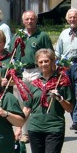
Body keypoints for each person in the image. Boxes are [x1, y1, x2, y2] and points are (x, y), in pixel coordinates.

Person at [23, 48, 74, 153]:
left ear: (53, 63)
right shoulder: (34, 84)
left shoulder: (62, 81)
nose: (44, 64)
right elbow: (27, 107)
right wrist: (18, 127)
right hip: (35, 128)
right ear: (37, 64)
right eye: (41, 62)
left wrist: (59, 98)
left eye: (47, 61)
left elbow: (70, 107)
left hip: (54, 127)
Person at [12, 10, 54, 143]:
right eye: (27, 19)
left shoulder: (42, 36)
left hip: (37, 71)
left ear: (36, 20)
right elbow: (11, 54)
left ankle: (37, 130)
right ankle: (25, 133)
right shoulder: (18, 36)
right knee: (23, 102)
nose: (29, 21)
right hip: (22, 72)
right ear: (23, 21)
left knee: (37, 100)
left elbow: (51, 55)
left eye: (32, 19)